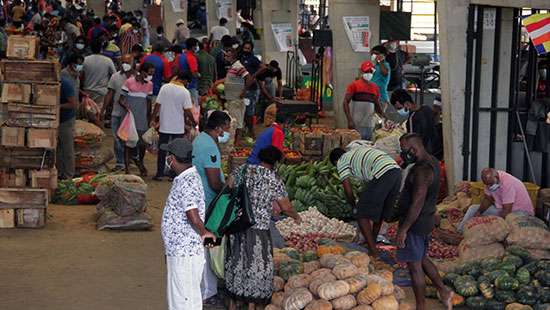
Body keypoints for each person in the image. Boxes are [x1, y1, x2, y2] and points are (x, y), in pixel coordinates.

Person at [226, 146, 301, 310]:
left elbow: (229, 184)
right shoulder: (274, 179)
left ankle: (234, 302)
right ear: (275, 162)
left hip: (238, 225)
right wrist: (296, 216)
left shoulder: (244, 169)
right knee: (258, 266)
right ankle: (252, 304)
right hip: (258, 229)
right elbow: (286, 206)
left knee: (237, 262)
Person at [396, 133, 453, 310]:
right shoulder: (433, 161)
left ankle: (421, 306)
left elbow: (417, 203)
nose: (402, 154)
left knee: (414, 267)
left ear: (413, 149)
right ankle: (444, 291)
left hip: (416, 223)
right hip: (426, 219)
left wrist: (404, 229)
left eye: (404, 151)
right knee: (422, 258)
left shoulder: (421, 171)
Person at [160, 138, 216, 310]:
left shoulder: (187, 181)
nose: (167, 159)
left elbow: (192, 215)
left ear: (173, 159)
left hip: (185, 252)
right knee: (185, 297)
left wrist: (204, 232)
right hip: (179, 250)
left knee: (183, 300)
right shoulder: (186, 177)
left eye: (169, 156)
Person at [329, 146, 401, 256]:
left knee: (361, 214)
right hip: (396, 171)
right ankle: (372, 241)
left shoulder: (341, 161)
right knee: (380, 211)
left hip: (382, 172)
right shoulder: (355, 152)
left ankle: (373, 250)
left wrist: (354, 206)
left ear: (335, 161)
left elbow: (347, 188)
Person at [192, 110, 231, 305]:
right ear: (218, 128)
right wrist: (229, 191)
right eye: (226, 128)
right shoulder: (209, 147)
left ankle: (207, 287)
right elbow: (214, 181)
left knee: (206, 244)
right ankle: (208, 291)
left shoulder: (200, 139)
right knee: (209, 244)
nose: (227, 133)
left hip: (200, 199)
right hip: (208, 201)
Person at [457, 168, 535, 232]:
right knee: (473, 209)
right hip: (502, 208)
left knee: (501, 225)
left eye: (491, 184)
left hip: (519, 212)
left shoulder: (507, 183)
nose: (489, 186)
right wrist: (479, 212)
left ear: (497, 178)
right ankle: (460, 231)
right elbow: (488, 199)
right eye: (487, 185)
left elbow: (506, 212)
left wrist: (490, 222)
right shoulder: (490, 181)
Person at [151, 71, 195, 181]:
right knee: (176, 152)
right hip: (178, 126)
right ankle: (172, 174)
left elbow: (157, 105)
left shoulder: (165, 87)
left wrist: (152, 118)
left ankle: (160, 173)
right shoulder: (185, 92)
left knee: (162, 150)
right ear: (185, 81)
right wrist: (193, 121)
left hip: (164, 125)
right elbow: (187, 110)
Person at [119, 62, 155, 176]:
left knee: (142, 144)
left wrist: (149, 118)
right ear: (142, 71)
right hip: (130, 118)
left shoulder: (149, 85)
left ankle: (140, 162)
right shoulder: (129, 82)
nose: (150, 76)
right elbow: (121, 99)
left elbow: (149, 103)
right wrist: (126, 107)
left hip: (143, 118)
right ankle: (127, 168)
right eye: (149, 73)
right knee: (128, 143)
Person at [102, 54, 134, 171]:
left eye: (128, 61)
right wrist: (103, 110)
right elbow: (109, 93)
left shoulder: (136, 78)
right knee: (116, 138)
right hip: (116, 113)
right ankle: (120, 162)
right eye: (123, 62)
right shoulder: (115, 77)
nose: (125, 64)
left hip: (129, 115)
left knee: (128, 139)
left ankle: (128, 160)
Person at [343, 61, 385, 140]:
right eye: (366, 71)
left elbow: (377, 104)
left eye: (370, 71)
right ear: (362, 72)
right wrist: (349, 120)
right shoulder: (354, 85)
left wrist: (383, 117)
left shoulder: (375, 87)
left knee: (368, 145)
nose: (369, 73)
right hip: (356, 123)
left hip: (370, 124)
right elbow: (345, 102)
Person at [223, 47, 255, 145]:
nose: (225, 58)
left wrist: (244, 91)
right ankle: (235, 142)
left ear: (233, 56)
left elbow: (249, 78)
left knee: (237, 122)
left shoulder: (238, 66)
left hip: (236, 99)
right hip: (231, 98)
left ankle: (237, 143)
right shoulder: (232, 67)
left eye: (228, 56)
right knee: (234, 121)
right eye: (225, 55)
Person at [390, 89, 436, 154]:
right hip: (434, 150)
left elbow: (413, 143)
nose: (399, 111)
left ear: (407, 103)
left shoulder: (413, 118)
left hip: (423, 154)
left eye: (399, 108)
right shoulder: (426, 108)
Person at [82, 39, 116, 113]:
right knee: (100, 114)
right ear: (101, 48)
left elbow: (81, 75)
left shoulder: (85, 60)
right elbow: (114, 75)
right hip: (101, 92)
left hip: (87, 91)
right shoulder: (108, 60)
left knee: (88, 114)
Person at [57, 68, 79, 180]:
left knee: (67, 149)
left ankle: (69, 176)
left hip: (66, 120)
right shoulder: (52, 83)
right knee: (58, 149)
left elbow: (73, 104)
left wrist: (58, 107)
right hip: (56, 120)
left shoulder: (65, 84)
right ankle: (60, 173)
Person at [175, 38, 200, 107]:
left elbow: (176, 70)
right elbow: (194, 74)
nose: (197, 47)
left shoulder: (180, 56)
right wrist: (199, 75)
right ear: (193, 47)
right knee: (194, 109)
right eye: (196, 45)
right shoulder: (191, 58)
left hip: (181, 86)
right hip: (191, 87)